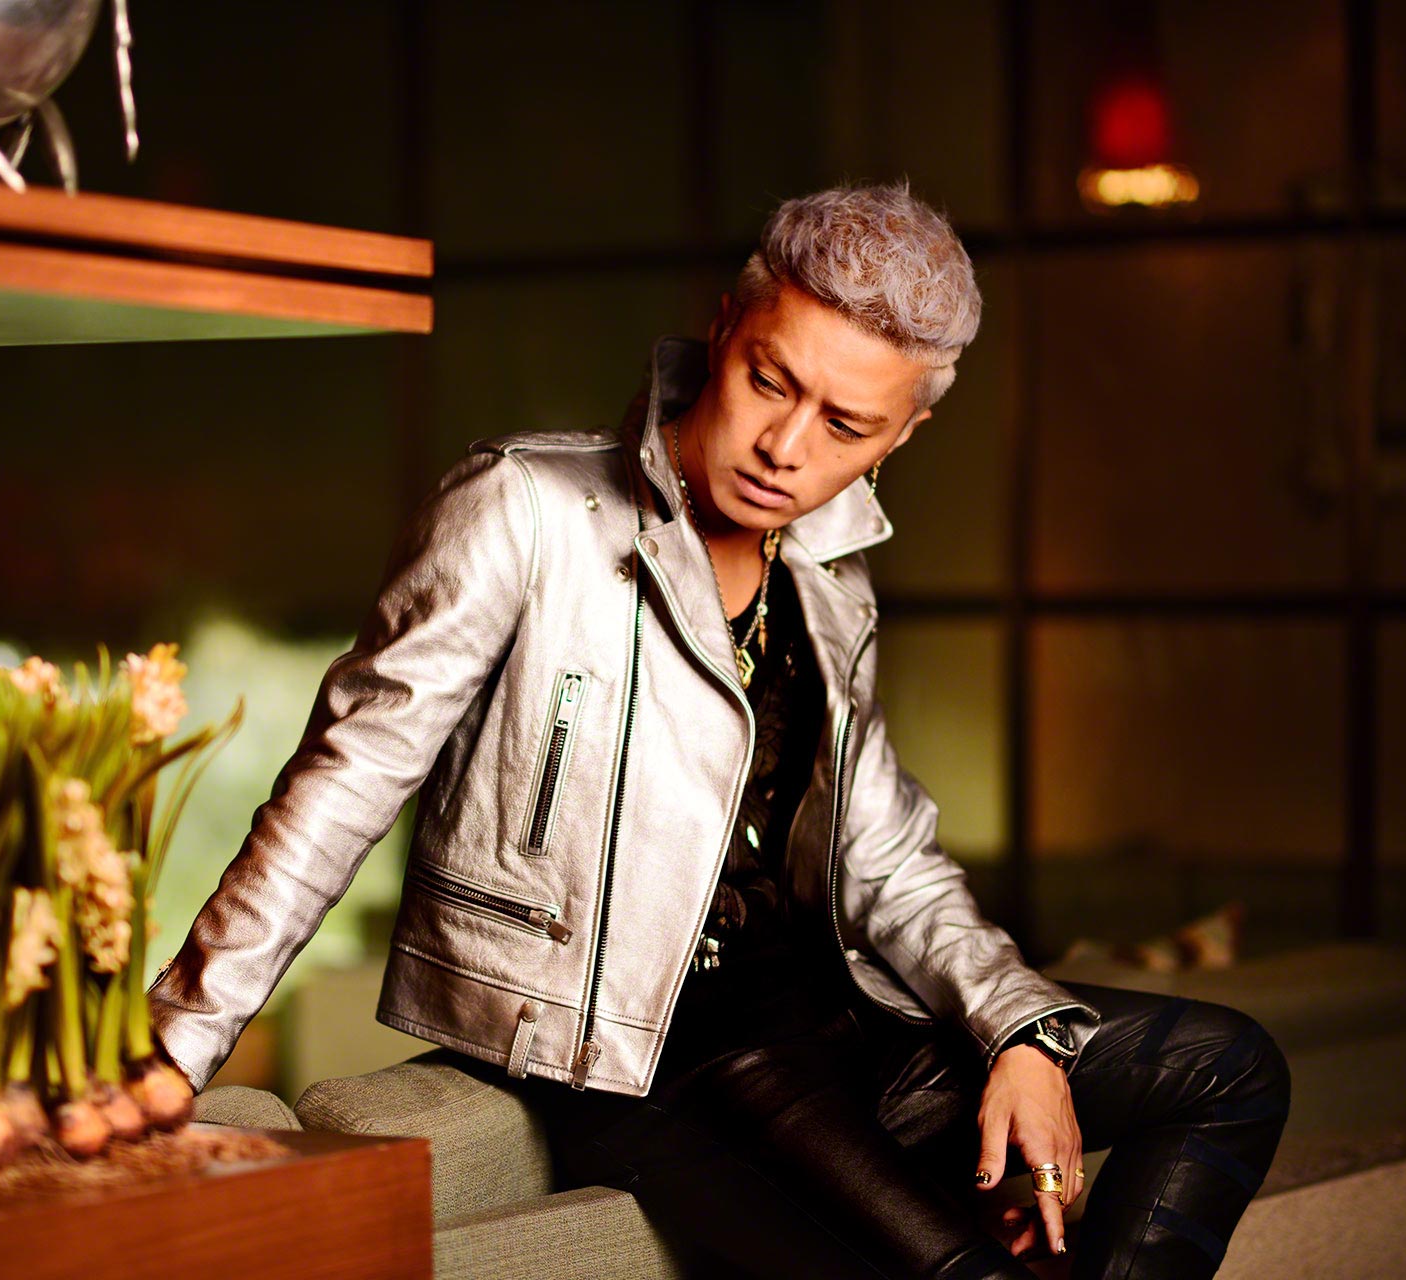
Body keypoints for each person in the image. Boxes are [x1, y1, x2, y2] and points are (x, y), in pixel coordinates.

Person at [148, 182, 1290, 1278]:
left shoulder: (828, 576)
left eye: (846, 424)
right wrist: (173, 1047)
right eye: (769, 380)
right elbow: (343, 782)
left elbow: (888, 861)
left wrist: (1022, 1033)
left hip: (839, 1023)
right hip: (656, 1057)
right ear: (723, 327)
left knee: (1229, 1067)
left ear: (905, 433)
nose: (786, 446)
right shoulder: (527, 510)